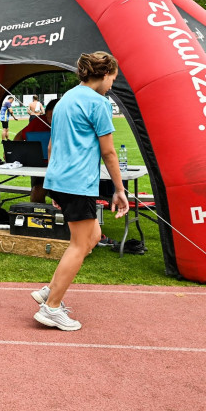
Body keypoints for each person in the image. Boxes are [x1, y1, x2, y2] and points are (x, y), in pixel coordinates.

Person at [32, 52, 129, 331]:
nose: (112, 85)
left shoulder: (65, 100)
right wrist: (119, 190)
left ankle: (50, 290)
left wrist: (58, 174)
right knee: (79, 244)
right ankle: (51, 308)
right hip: (76, 183)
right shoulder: (99, 103)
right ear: (105, 73)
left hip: (59, 180)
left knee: (93, 236)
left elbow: (52, 146)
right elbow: (109, 151)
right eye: (113, 79)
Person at [14, 98, 57, 203]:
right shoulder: (39, 121)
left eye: (54, 118)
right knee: (36, 194)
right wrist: (15, 152)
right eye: (48, 118)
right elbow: (19, 136)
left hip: (64, 168)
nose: (50, 121)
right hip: (41, 167)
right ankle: (38, 218)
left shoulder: (72, 123)